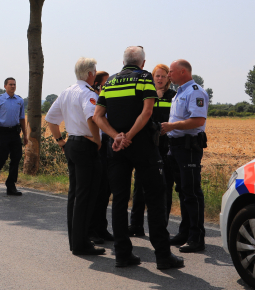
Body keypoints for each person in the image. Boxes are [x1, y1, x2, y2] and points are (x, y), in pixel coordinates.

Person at [93, 46, 184, 269]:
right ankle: (163, 256)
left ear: (123, 62)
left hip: (116, 149)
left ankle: (122, 255)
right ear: (143, 63)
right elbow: (147, 112)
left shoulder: (110, 82)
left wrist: (117, 137)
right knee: (154, 199)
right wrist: (130, 136)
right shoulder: (144, 79)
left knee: (119, 200)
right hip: (142, 146)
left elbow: (98, 116)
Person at [46, 58, 104, 256]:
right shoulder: (88, 93)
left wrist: (60, 141)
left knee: (75, 195)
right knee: (86, 196)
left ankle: (75, 240)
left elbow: (51, 119)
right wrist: (97, 141)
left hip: (71, 144)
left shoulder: (66, 91)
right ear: (89, 73)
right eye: (94, 71)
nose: (95, 74)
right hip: (85, 145)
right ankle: (82, 243)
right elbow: (92, 118)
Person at [161, 59, 208, 253]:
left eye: (171, 72)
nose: (168, 75)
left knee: (191, 192)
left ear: (182, 72)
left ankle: (196, 237)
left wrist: (171, 126)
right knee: (182, 191)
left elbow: (197, 120)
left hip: (188, 148)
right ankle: (185, 232)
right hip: (176, 147)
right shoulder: (180, 92)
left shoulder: (195, 91)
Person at [128, 64, 176, 236]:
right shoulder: (146, 94)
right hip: (146, 146)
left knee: (165, 188)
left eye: (163, 76)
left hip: (166, 147)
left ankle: (162, 226)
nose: (160, 79)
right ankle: (135, 225)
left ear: (168, 79)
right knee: (139, 187)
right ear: (153, 77)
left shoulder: (173, 96)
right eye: (157, 76)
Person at [0, 77, 28, 196]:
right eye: (10, 84)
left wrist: (25, 135)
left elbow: (22, 119)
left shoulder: (19, 100)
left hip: (15, 133)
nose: (13, 86)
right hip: (3, 133)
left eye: (14, 84)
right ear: (5, 86)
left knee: (16, 158)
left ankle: (11, 185)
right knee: (1, 158)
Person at [88, 71, 114, 243]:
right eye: (105, 83)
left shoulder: (108, 99)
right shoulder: (91, 99)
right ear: (97, 85)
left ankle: (101, 228)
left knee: (105, 190)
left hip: (107, 146)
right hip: (96, 146)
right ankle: (91, 230)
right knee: (95, 191)